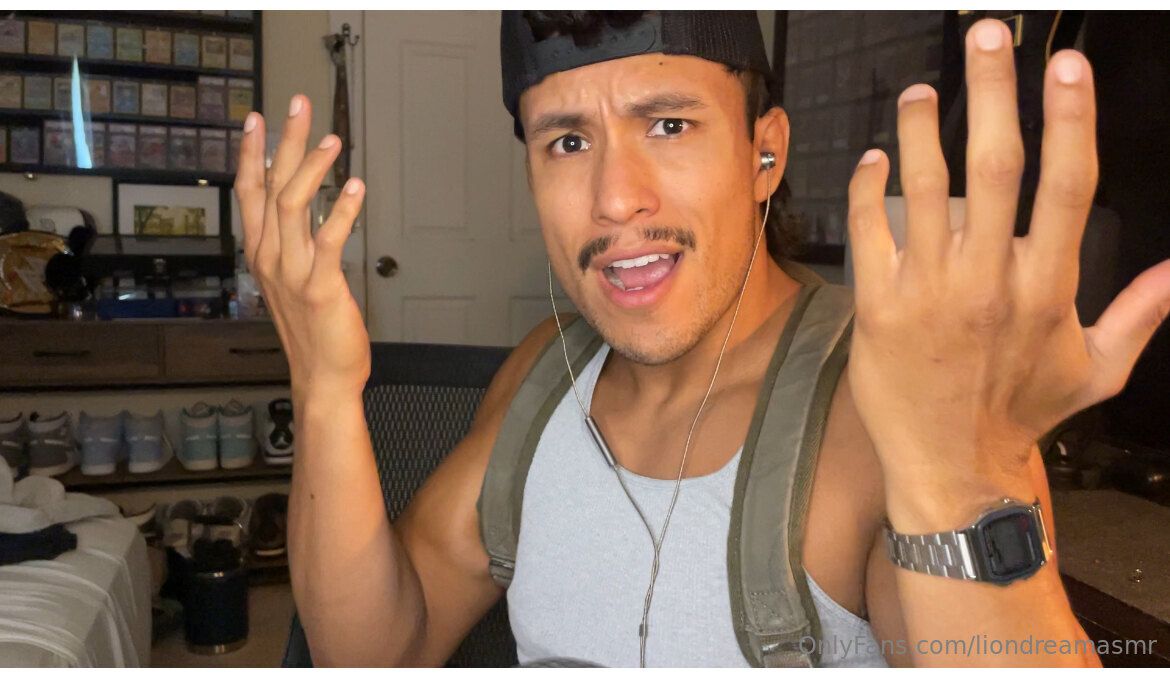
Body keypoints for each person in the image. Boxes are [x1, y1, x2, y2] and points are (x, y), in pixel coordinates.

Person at [233, 11, 1170, 666]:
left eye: (670, 124)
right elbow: (375, 651)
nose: (614, 198)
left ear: (765, 152)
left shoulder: (887, 404)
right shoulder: (542, 379)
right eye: (567, 142)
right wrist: (322, 386)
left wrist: (960, 478)